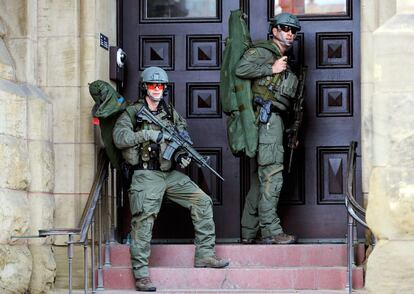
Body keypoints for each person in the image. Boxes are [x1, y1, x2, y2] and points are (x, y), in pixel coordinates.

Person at [113, 66, 229, 292]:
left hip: (169, 174)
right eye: (152, 85)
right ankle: (142, 274)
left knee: (202, 201)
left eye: (160, 86)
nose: (157, 89)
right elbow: (120, 138)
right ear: (145, 87)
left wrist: (181, 155)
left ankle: (205, 255)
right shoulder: (132, 113)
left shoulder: (170, 113)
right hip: (146, 174)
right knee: (144, 220)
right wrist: (148, 134)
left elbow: (181, 135)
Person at [235, 13, 301, 245]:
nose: (290, 33)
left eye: (293, 30)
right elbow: (241, 69)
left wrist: (291, 132)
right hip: (266, 120)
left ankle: (248, 230)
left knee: (261, 178)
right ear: (274, 31)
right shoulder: (264, 52)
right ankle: (271, 230)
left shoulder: (283, 58)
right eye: (285, 28)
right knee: (272, 175)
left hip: (275, 122)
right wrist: (270, 69)